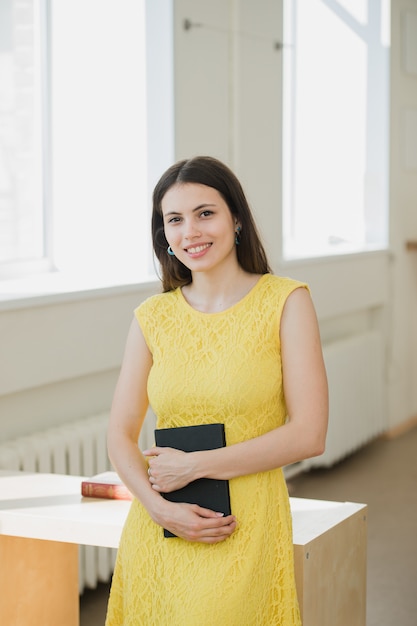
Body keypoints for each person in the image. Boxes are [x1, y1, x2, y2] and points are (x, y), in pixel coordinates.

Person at [105, 156, 328, 625]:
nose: (191, 232)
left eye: (206, 213)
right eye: (175, 219)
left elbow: (309, 434)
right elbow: (120, 433)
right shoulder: (153, 316)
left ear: (237, 219)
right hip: (160, 526)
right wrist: (160, 509)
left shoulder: (286, 301)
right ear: (163, 235)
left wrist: (195, 465)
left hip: (243, 526)